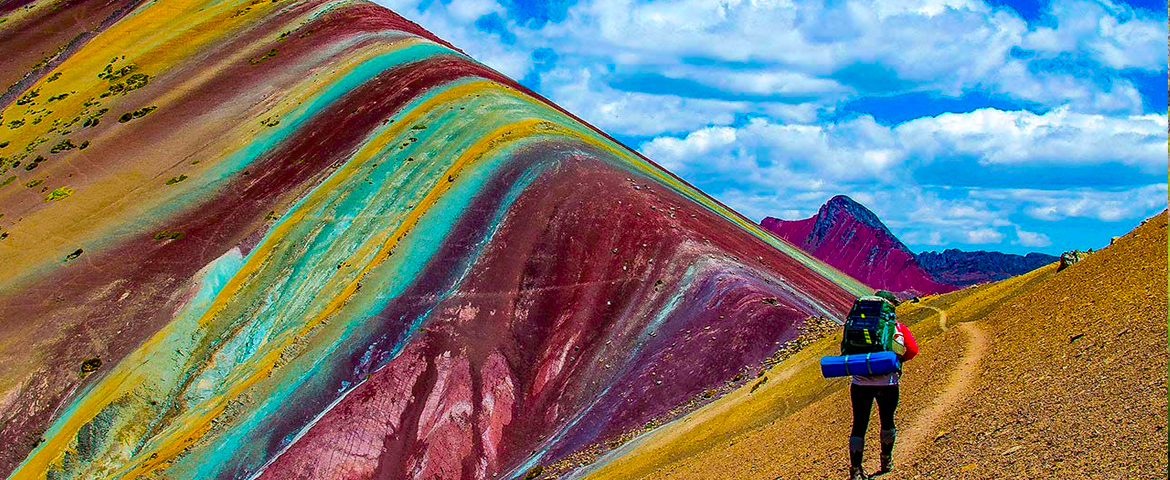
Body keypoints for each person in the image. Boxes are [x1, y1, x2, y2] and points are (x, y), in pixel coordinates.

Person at [848, 290, 918, 480]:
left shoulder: (857, 324)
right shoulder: (897, 328)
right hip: (888, 382)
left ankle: (855, 469)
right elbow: (912, 350)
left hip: (860, 383)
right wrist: (894, 361)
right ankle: (886, 459)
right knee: (887, 420)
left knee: (859, 425)